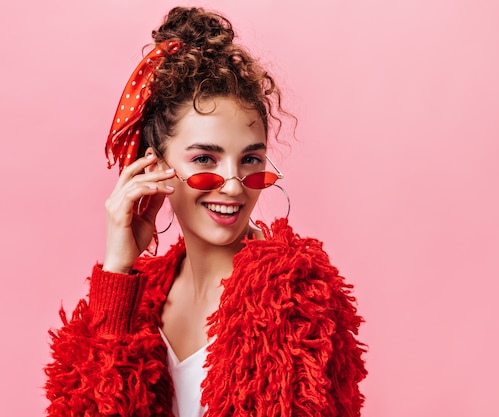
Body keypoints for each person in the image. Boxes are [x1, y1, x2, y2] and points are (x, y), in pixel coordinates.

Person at [45, 6, 366, 417]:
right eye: (204, 159)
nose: (233, 185)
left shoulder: (297, 299)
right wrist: (118, 272)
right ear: (156, 166)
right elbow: (88, 406)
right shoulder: (144, 297)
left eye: (250, 160)